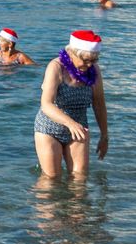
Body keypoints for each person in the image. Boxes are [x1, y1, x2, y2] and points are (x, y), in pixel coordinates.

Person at [34, 30, 109, 179]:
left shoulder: (94, 70)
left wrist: (104, 136)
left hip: (79, 128)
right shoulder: (56, 67)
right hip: (49, 127)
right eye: (85, 60)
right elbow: (46, 104)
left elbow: (99, 103)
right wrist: (70, 123)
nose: (89, 65)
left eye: (93, 60)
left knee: (80, 179)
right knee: (51, 179)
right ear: (71, 52)